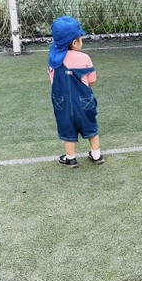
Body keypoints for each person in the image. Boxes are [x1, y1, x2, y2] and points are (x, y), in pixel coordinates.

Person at [48, 16, 103, 168]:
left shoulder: (54, 59)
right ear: (74, 42)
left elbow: (53, 80)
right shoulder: (84, 57)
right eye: (80, 38)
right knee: (91, 127)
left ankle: (70, 158)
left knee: (68, 130)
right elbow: (92, 80)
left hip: (62, 102)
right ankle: (96, 154)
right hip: (84, 100)